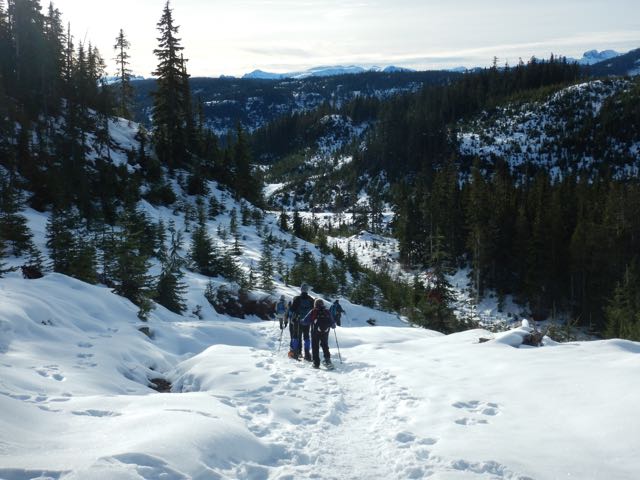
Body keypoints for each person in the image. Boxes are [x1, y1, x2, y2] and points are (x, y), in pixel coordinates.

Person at [304, 298, 336, 369]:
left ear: (315, 304)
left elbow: (305, 321)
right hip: (325, 332)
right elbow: (333, 324)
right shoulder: (327, 311)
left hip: (315, 332)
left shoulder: (313, 311)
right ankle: (327, 361)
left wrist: (300, 321)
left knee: (315, 346)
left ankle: (316, 363)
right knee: (325, 345)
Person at [289, 283, 315, 360]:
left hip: (297, 320)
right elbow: (313, 310)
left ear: (301, 289)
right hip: (307, 321)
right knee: (306, 336)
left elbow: (292, 309)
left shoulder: (297, 299)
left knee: (296, 336)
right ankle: (307, 354)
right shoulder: (311, 299)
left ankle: (296, 353)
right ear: (307, 290)